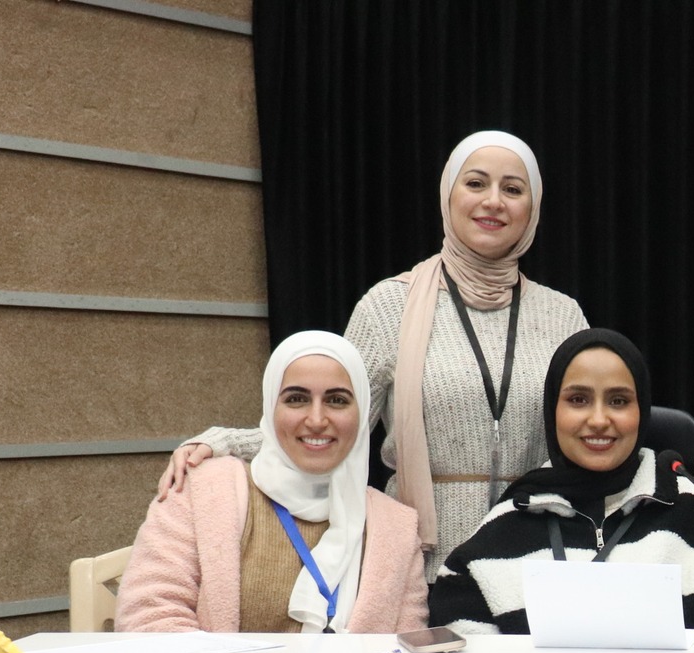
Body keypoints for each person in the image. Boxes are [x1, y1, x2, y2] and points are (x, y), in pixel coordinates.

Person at [155, 132, 589, 574]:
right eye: (476, 183)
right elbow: (330, 424)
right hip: (421, 563)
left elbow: (592, 439)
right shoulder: (388, 306)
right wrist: (223, 443)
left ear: (532, 208)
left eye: (512, 189)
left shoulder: (563, 316)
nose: (493, 201)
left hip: (540, 557)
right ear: (448, 195)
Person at [429, 329, 694, 640]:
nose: (598, 419)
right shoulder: (501, 532)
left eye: (619, 401)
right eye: (578, 399)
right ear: (552, 411)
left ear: (642, 411)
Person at [117, 331, 427, 633]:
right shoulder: (202, 492)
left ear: (362, 414)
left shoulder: (396, 529)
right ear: (270, 407)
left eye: (336, 400)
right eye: (296, 399)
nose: (317, 420)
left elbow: (406, 650)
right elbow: (148, 618)